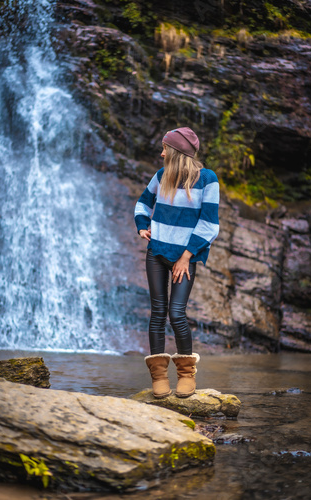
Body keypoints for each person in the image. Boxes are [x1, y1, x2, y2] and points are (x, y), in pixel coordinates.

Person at [134, 127, 219, 399]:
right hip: (156, 251)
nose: (161, 153)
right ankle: (159, 377)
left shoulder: (208, 179)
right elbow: (142, 204)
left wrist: (186, 257)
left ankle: (185, 374)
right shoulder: (161, 176)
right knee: (157, 314)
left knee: (176, 314)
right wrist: (141, 226)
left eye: (165, 148)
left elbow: (209, 224)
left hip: (185, 257)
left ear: (177, 152)